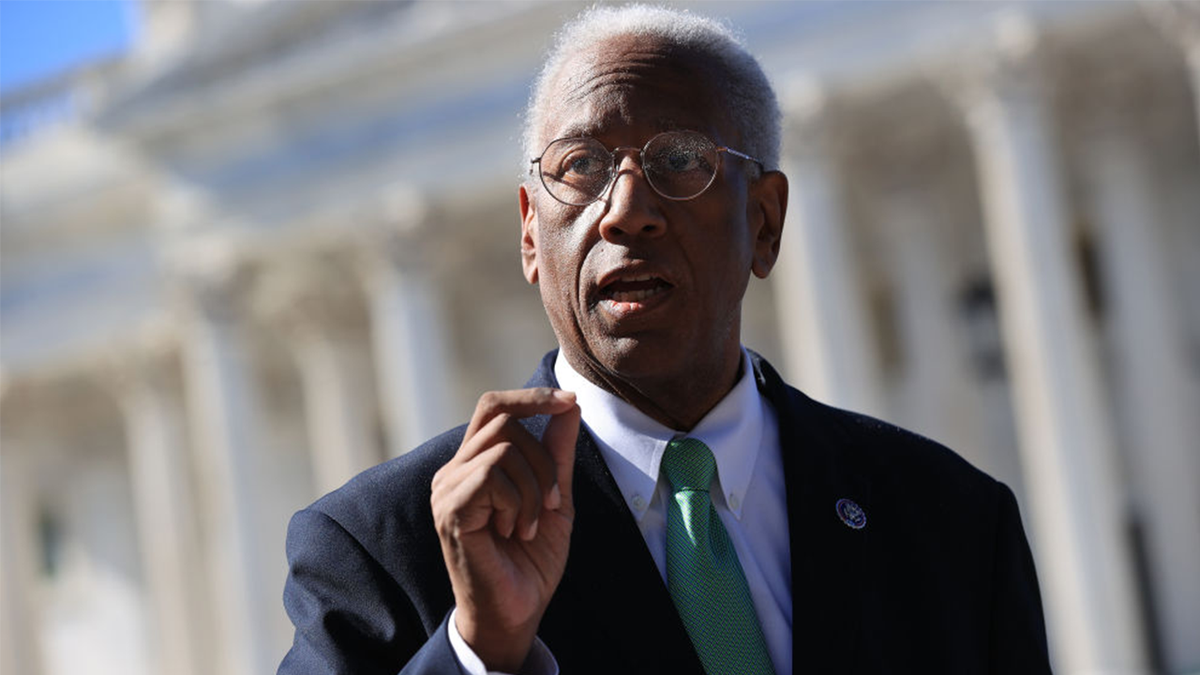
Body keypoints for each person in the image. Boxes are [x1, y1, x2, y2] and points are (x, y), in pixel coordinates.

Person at [278, 6, 1052, 675]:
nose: (624, 211)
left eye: (681, 160)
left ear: (765, 222)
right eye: (580, 165)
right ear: (528, 235)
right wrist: (483, 650)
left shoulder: (948, 523)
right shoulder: (389, 546)